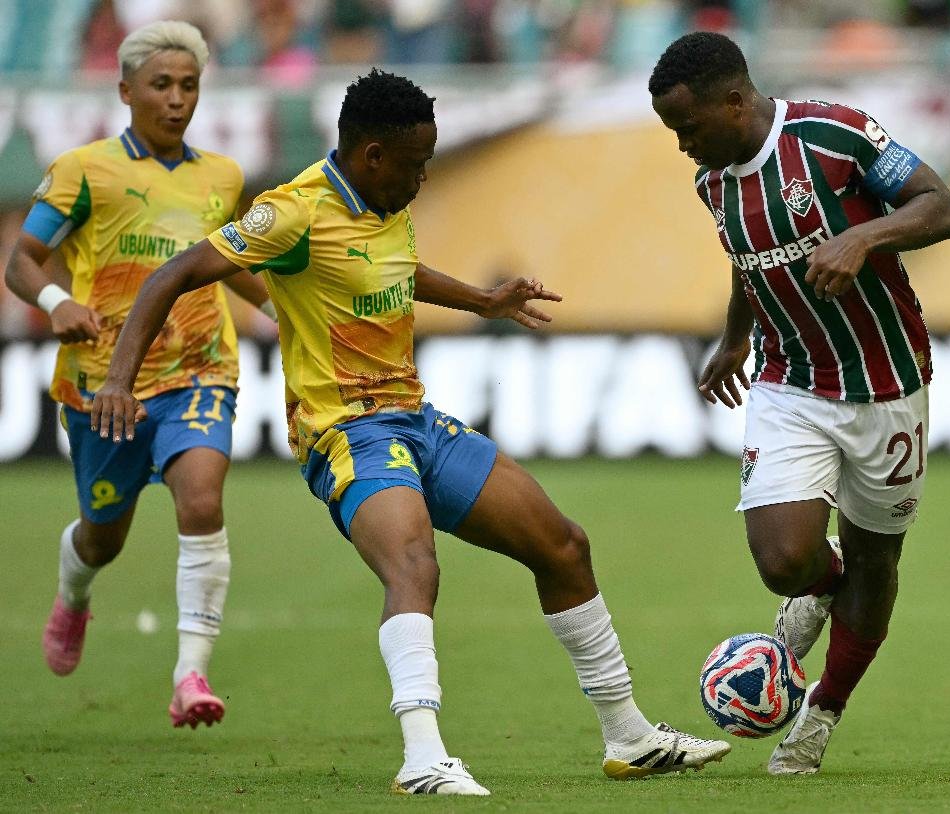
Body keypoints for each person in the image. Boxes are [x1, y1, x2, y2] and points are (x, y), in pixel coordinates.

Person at [90, 68, 730, 796]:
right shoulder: (293, 213)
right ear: (371, 156)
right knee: (414, 568)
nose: (423, 179)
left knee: (563, 545)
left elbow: (394, 265)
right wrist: (118, 378)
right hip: (346, 432)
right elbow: (171, 274)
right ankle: (423, 756)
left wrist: (481, 300)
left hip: (417, 419)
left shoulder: (381, 198)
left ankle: (629, 737)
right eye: (416, 165)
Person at [649, 32, 950, 775]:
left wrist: (863, 238)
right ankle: (819, 591)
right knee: (785, 561)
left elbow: (941, 207)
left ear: (735, 101)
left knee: (875, 562)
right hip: (790, 380)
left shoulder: (835, 134)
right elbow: (747, 261)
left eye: (688, 128)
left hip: (888, 384)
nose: (683, 146)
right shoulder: (712, 183)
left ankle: (820, 714)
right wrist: (733, 339)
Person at [3, 20, 273, 729]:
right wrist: (58, 301)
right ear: (126, 91)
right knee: (103, 536)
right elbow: (22, 262)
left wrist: (285, 311)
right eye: (162, 85)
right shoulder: (82, 170)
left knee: (202, 502)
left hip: (199, 368)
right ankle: (76, 592)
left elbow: (228, 261)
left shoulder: (222, 176)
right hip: (105, 382)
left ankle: (191, 673)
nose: (177, 99)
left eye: (189, 86)